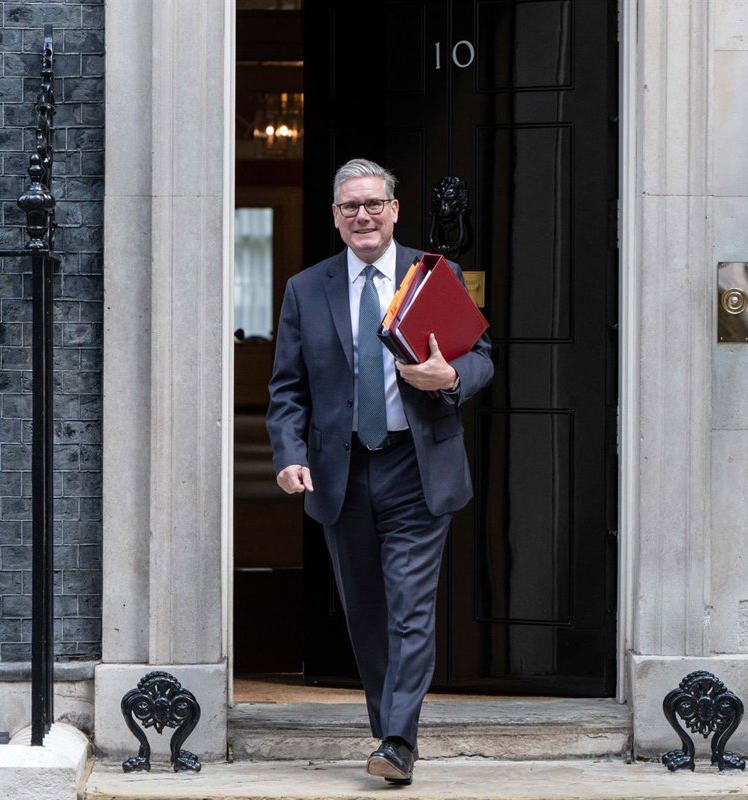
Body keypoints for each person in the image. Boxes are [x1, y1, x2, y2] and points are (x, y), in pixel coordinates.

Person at [266, 158, 493, 785]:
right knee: (366, 612)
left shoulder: (434, 275)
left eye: (373, 204)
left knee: (410, 609)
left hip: (417, 466)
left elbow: (481, 358)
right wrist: (289, 454)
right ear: (335, 217)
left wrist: (450, 376)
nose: (362, 216)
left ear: (394, 210)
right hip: (341, 472)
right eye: (350, 207)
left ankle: (397, 742)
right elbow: (287, 388)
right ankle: (387, 730)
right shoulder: (305, 289)